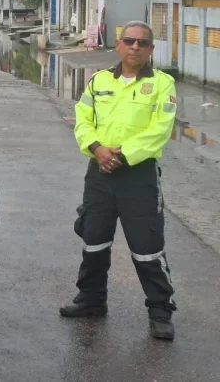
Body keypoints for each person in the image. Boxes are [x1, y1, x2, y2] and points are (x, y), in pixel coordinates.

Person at [60, 21, 178, 340]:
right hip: (99, 172)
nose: (135, 47)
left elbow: (160, 130)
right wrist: (97, 149)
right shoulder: (99, 81)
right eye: (129, 41)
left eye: (142, 43)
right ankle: (91, 300)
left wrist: (121, 156)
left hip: (138, 175)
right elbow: (83, 120)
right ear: (119, 45)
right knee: (94, 238)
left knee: (147, 246)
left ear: (151, 49)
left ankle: (160, 310)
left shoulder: (162, 84)